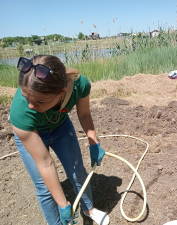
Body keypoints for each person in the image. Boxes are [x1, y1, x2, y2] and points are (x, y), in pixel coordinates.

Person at [10, 55, 110, 225]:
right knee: (44, 187)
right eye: (26, 97)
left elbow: (84, 114)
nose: (31, 106)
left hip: (61, 128)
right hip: (32, 133)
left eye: (40, 101)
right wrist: (64, 206)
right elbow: (45, 163)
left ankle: (89, 209)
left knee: (78, 173)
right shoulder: (21, 111)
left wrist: (93, 142)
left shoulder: (79, 85)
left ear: (61, 93)